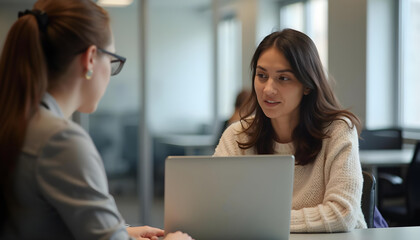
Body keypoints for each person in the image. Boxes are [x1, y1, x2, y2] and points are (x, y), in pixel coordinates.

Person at [0, 0, 191, 239]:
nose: (110, 75)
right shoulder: (60, 139)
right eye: (112, 61)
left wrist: (122, 232)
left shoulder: (19, 120)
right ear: (90, 58)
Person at [214, 29, 367, 232]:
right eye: (261, 75)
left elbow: (342, 214)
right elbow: (214, 208)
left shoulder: (338, 131)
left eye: (283, 78)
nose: (268, 89)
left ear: (307, 85)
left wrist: (259, 221)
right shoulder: (237, 135)